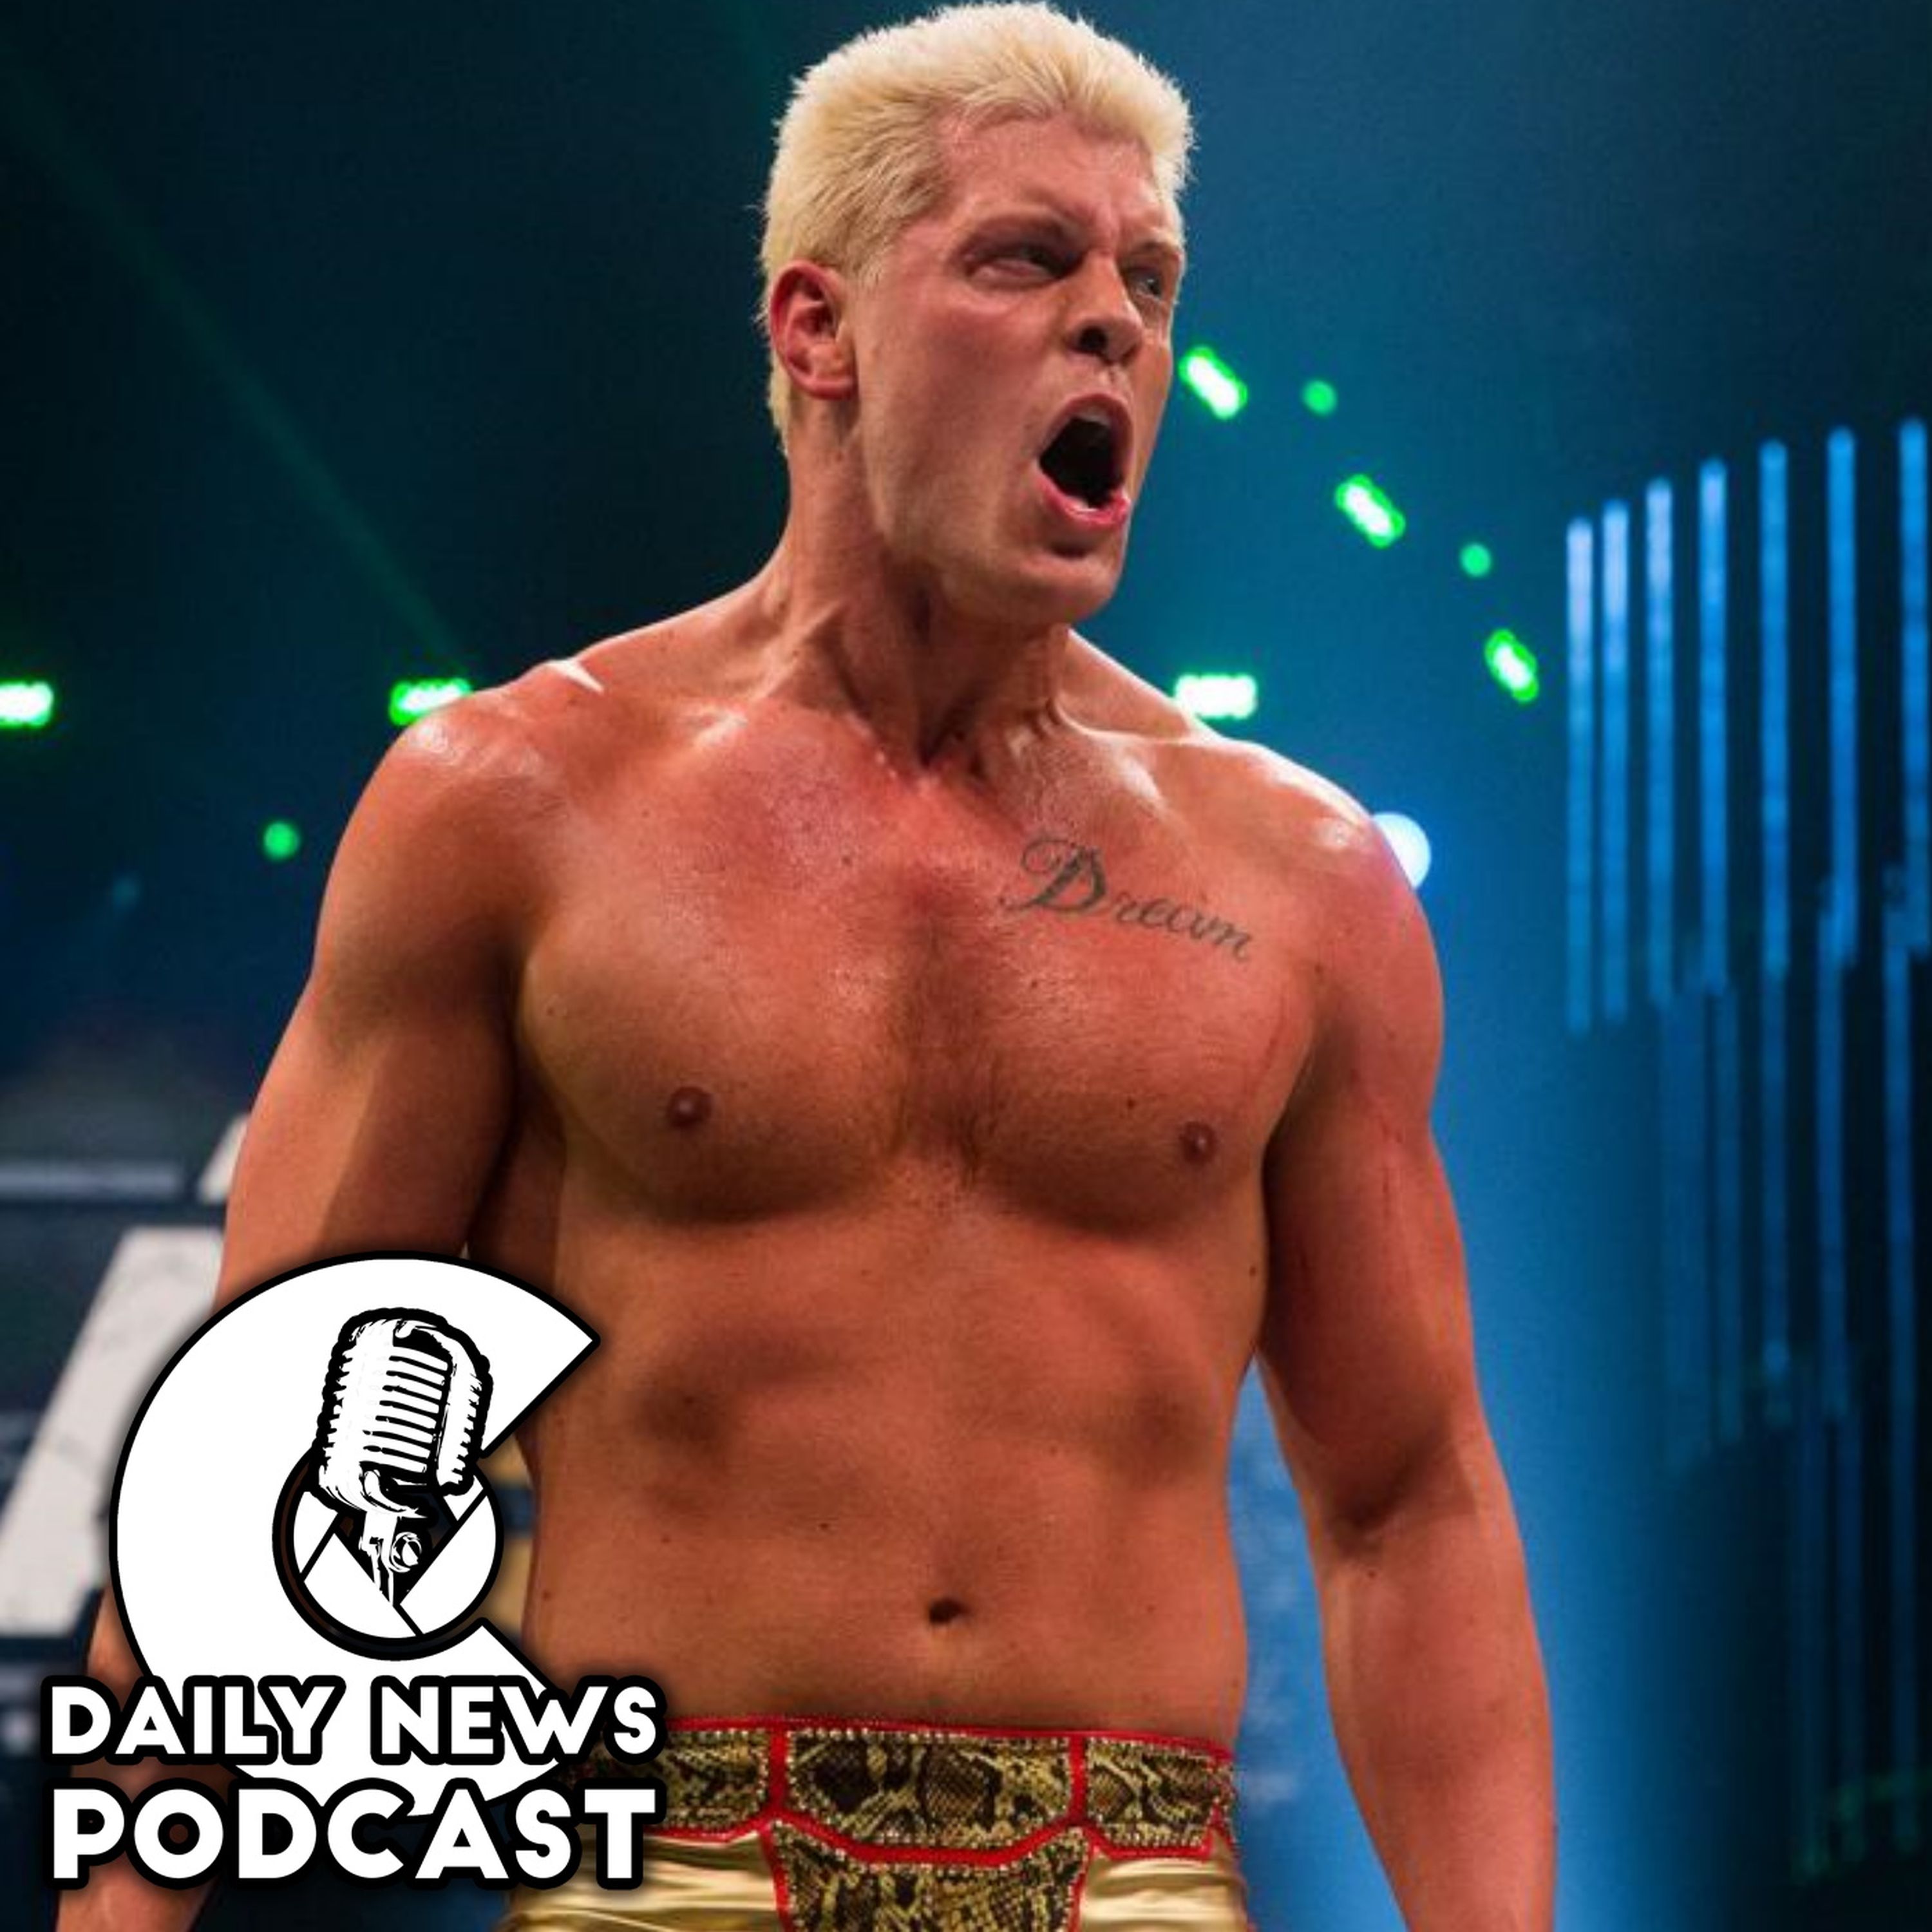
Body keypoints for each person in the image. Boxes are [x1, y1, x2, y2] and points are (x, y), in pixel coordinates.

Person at [66, 5, 1555, 1927]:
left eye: (1149, 280)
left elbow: (1407, 1505)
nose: (1115, 324)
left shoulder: (1302, 879)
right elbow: (264, 1445)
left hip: (1130, 1876)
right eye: (1028, 258)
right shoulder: (518, 808)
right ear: (816, 328)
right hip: (673, 1858)